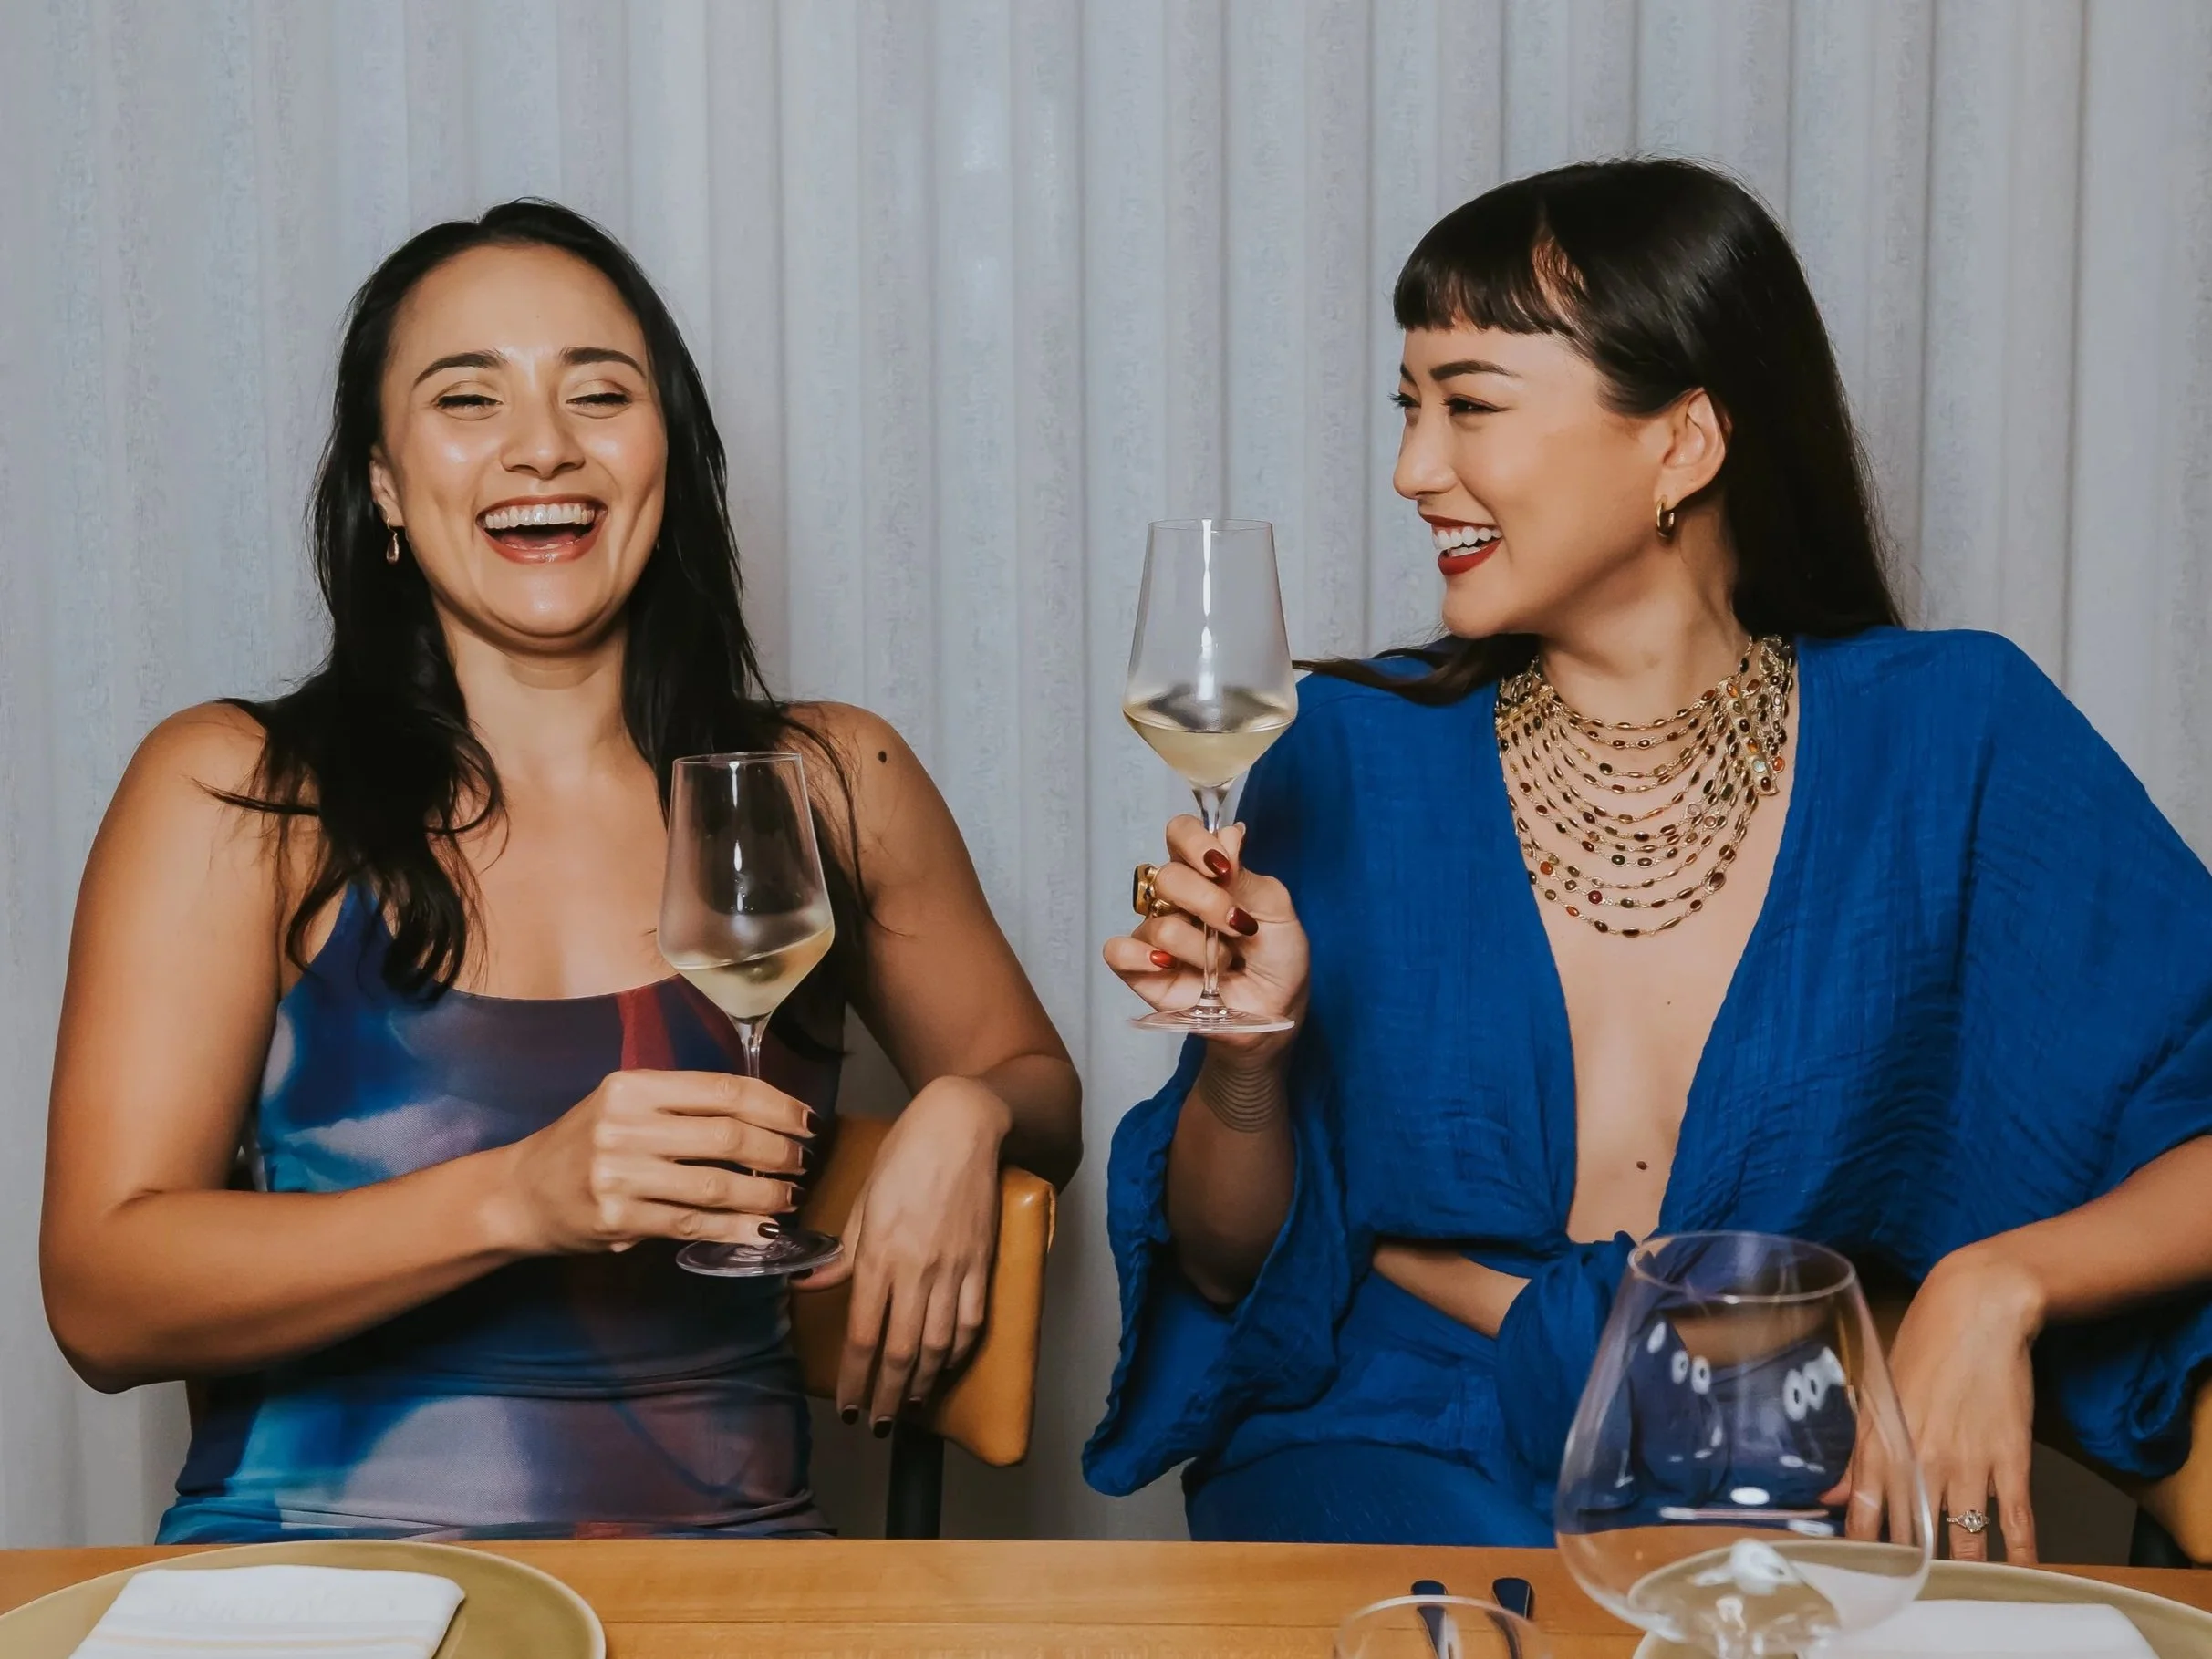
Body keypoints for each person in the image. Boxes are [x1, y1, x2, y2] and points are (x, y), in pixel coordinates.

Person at [1089, 158, 2212, 1557]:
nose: (1412, 469)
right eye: (1408, 406)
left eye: (1469, 404)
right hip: (1387, 1439)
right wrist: (1247, 1065)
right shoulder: (1350, 752)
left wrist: (2000, 1283)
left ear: (1683, 443)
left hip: (1764, 1467)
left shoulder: (1952, 739)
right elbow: (1225, 1262)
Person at [41, 200, 1081, 1541]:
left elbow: (1038, 1083)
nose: (544, 445)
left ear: (668, 455)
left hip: (733, 1584)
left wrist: (966, 1113)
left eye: (599, 393)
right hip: (319, 1589)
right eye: (468, 398)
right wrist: (515, 1195)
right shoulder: (240, 792)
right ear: (383, 483)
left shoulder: (829, 781)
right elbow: (101, 1298)